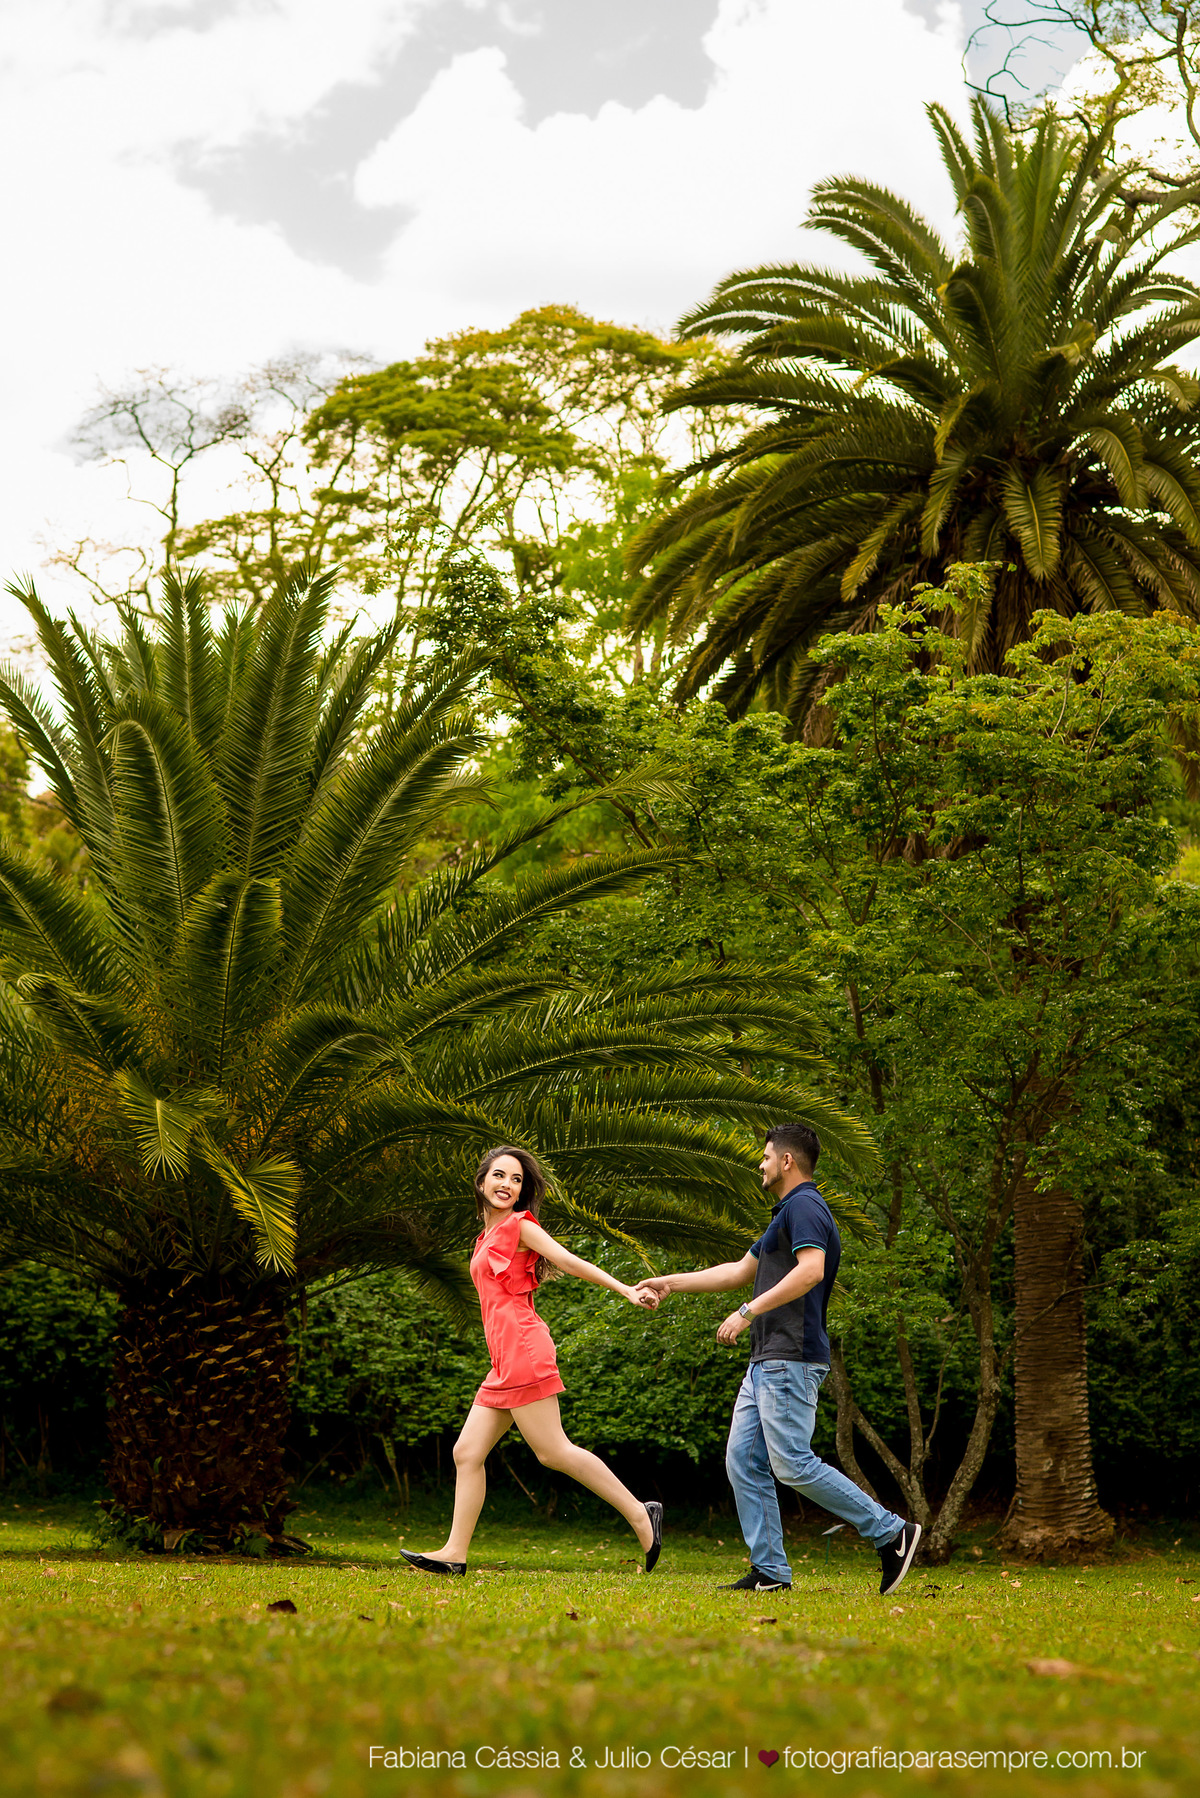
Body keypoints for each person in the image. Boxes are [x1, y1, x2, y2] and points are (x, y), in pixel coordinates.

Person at [636, 1124, 921, 1597]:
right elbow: (737, 1271)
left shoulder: (806, 1206)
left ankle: (892, 1532)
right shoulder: (785, 1215)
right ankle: (769, 1570)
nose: (761, 1164)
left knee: (791, 1462)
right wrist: (669, 1282)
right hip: (767, 1359)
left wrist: (747, 1312)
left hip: (790, 1356)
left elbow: (811, 1271)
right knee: (743, 1462)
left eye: (766, 1156)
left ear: (787, 1161)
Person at [400, 1145, 664, 1578]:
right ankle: (454, 1553)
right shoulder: (485, 1236)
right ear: (481, 1181)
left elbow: (567, 1260)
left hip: (523, 1348)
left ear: (523, 1191)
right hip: (503, 1358)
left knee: (553, 1451)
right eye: (499, 1175)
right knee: (467, 1452)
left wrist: (626, 1290)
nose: (507, 1184)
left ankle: (640, 1513)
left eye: (517, 1179)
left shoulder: (520, 1226)